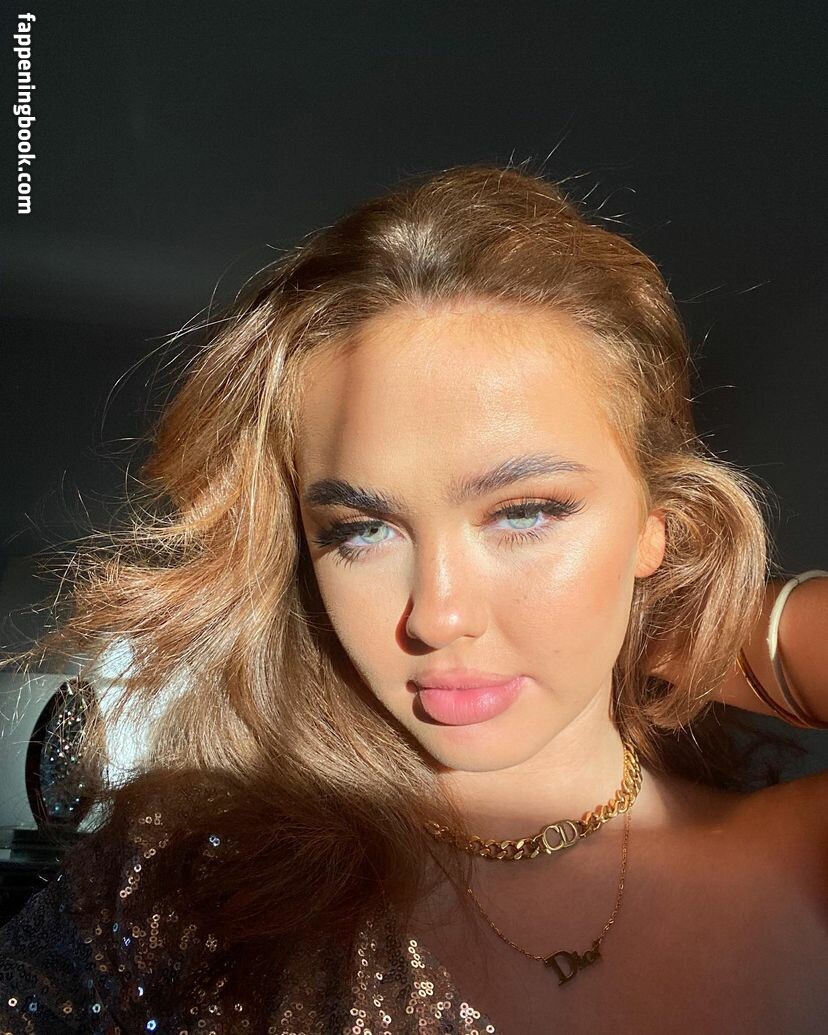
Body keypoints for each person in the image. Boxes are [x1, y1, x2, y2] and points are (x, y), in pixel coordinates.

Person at [0, 161, 825, 1034]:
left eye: (525, 512)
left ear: (655, 524)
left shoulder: (802, 866)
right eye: (363, 529)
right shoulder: (173, 902)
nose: (437, 616)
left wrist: (705, 622)